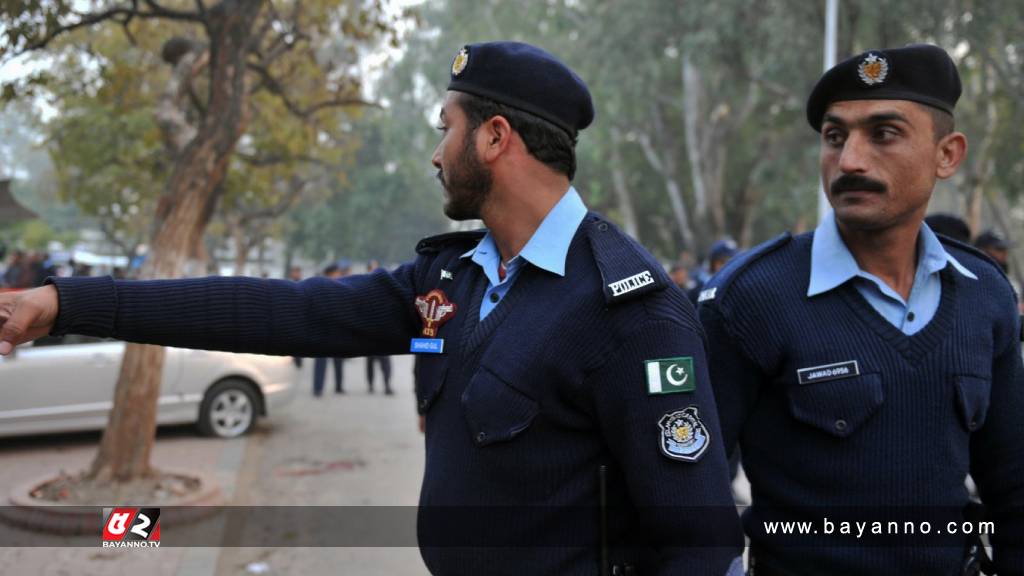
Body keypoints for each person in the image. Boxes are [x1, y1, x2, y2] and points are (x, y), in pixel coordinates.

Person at [0, 41, 742, 575]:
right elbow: (277, 312)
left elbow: (702, 548)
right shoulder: (457, 277)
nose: (435, 152)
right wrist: (66, 302)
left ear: (495, 137)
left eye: (445, 128)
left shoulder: (632, 312)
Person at [697, 44, 1023, 575]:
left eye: (884, 134)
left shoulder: (983, 293)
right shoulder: (752, 298)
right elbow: (688, 491)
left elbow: (1013, 486)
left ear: (948, 154)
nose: (849, 160)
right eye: (835, 136)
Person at [312, 263, 345, 396]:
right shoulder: (320, 287)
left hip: (337, 329)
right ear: (330, 274)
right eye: (337, 273)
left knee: (339, 359)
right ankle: (317, 388)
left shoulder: (341, 286)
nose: (339, 275)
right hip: (322, 329)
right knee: (321, 361)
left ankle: (339, 386)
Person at [364, 259, 394, 395]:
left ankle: (387, 385)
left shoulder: (384, 287)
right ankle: (370, 385)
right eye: (373, 268)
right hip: (370, 332)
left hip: (384, 332)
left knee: (385, 363)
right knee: (370, 362)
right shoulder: (363, 287)